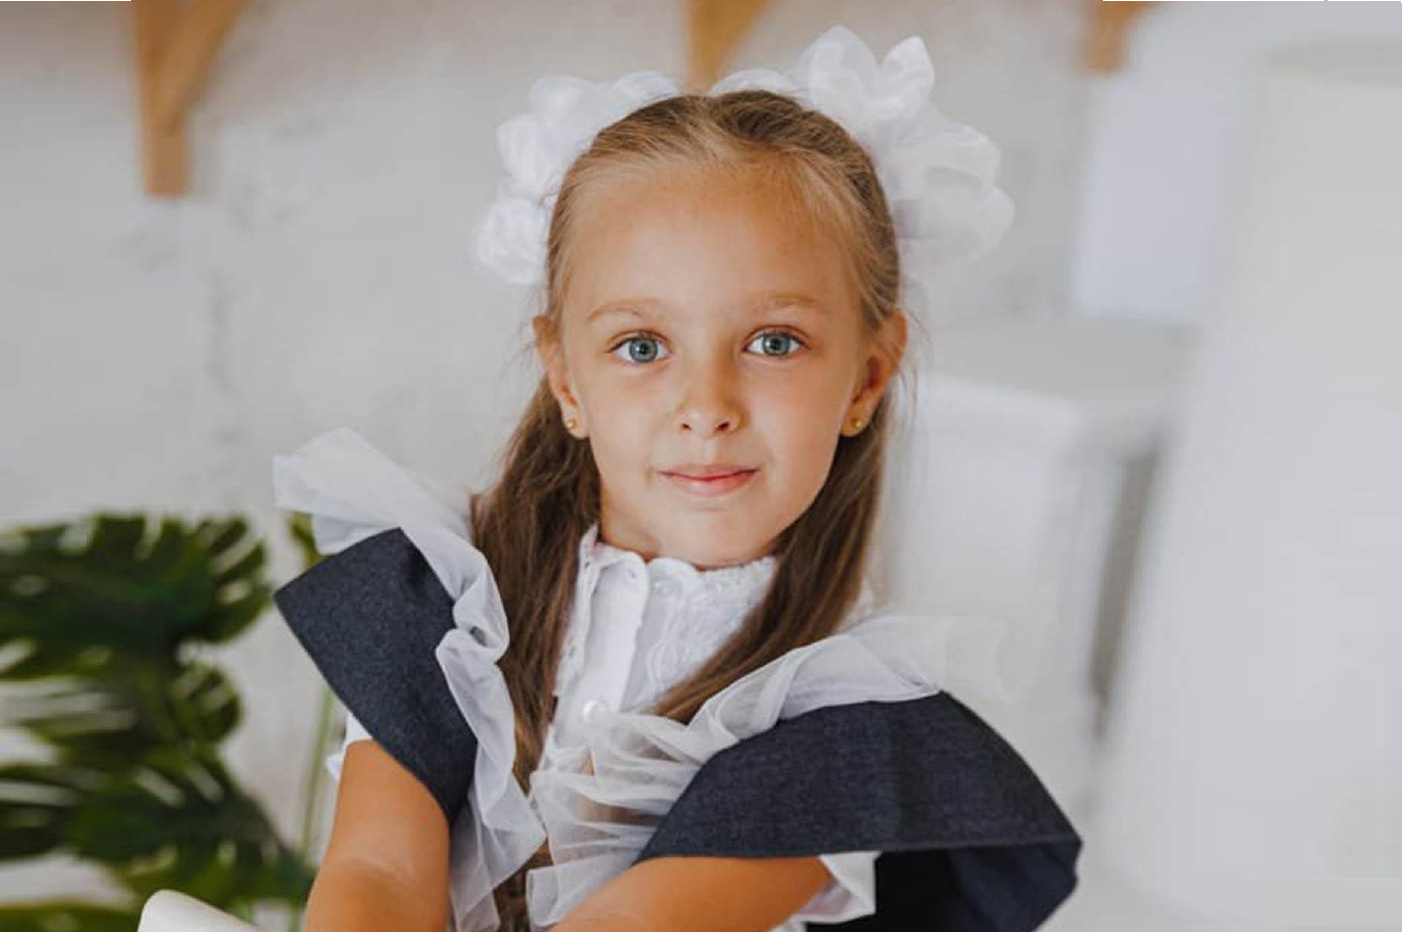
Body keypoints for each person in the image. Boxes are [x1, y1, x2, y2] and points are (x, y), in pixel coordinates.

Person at [270, 24, 1081, 932]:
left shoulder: (842, 725)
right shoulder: (440, 602)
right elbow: (378, 870)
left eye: (773, 341)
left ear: (866, 377)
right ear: (566, 379)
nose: (706, 406)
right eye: (642, 346)